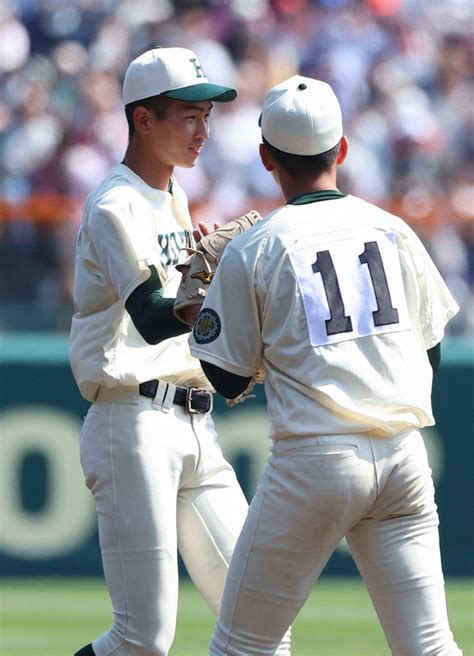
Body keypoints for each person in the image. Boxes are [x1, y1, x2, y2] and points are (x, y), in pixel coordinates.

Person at [189, 75, 463, 655]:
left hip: (315, 458)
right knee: (430, 646)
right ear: (341, 149)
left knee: (242, 646)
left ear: (266, 158)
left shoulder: (256, 245)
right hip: (403, 456)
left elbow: (227, 376)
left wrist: (210, 304)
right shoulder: (391, 227)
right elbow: (431, 350)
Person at [69, 46, 253, 656]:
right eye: (190, 116)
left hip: (195, 421)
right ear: (143, 120)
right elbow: (151, 320)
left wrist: (207, 284)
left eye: (208, 116)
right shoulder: (116, 202)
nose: (204, 130)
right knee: (142, 639)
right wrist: (222, 295)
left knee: (259, 617)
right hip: (134, 419)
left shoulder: (170, 194)